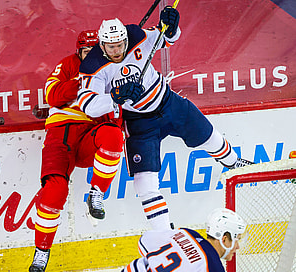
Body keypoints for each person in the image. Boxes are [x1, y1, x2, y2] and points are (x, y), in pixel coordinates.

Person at [77, 9, 253, 231]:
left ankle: (232, 163)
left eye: (120, 44)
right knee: (144, 181)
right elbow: (88, 105)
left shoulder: (135, 36)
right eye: (111, 47)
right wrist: (115, 97)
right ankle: (162, 231)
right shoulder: (92, 66)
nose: (117, 50)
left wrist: (172, 26)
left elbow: (166, 39)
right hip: (140, 122)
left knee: (208, 134)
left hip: (168, 102)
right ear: (102, 45)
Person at [29, 30, 125, 272]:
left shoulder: (115, 70)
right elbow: (51, 94)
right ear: (78, 51)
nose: (90, 56)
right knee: (55, 190)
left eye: (95, 51)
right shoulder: (69, 65)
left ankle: (96, 193)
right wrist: (81, 83)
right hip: (61, 133)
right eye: (86, 52)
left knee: (114, 136)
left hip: (90, 135)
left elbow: (117, 115)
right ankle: (42, 249)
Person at [115, 208, 247, 272]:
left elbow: (144, 241)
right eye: (237, 240)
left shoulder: (186, 233)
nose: (237, 247)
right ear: (224, 239)